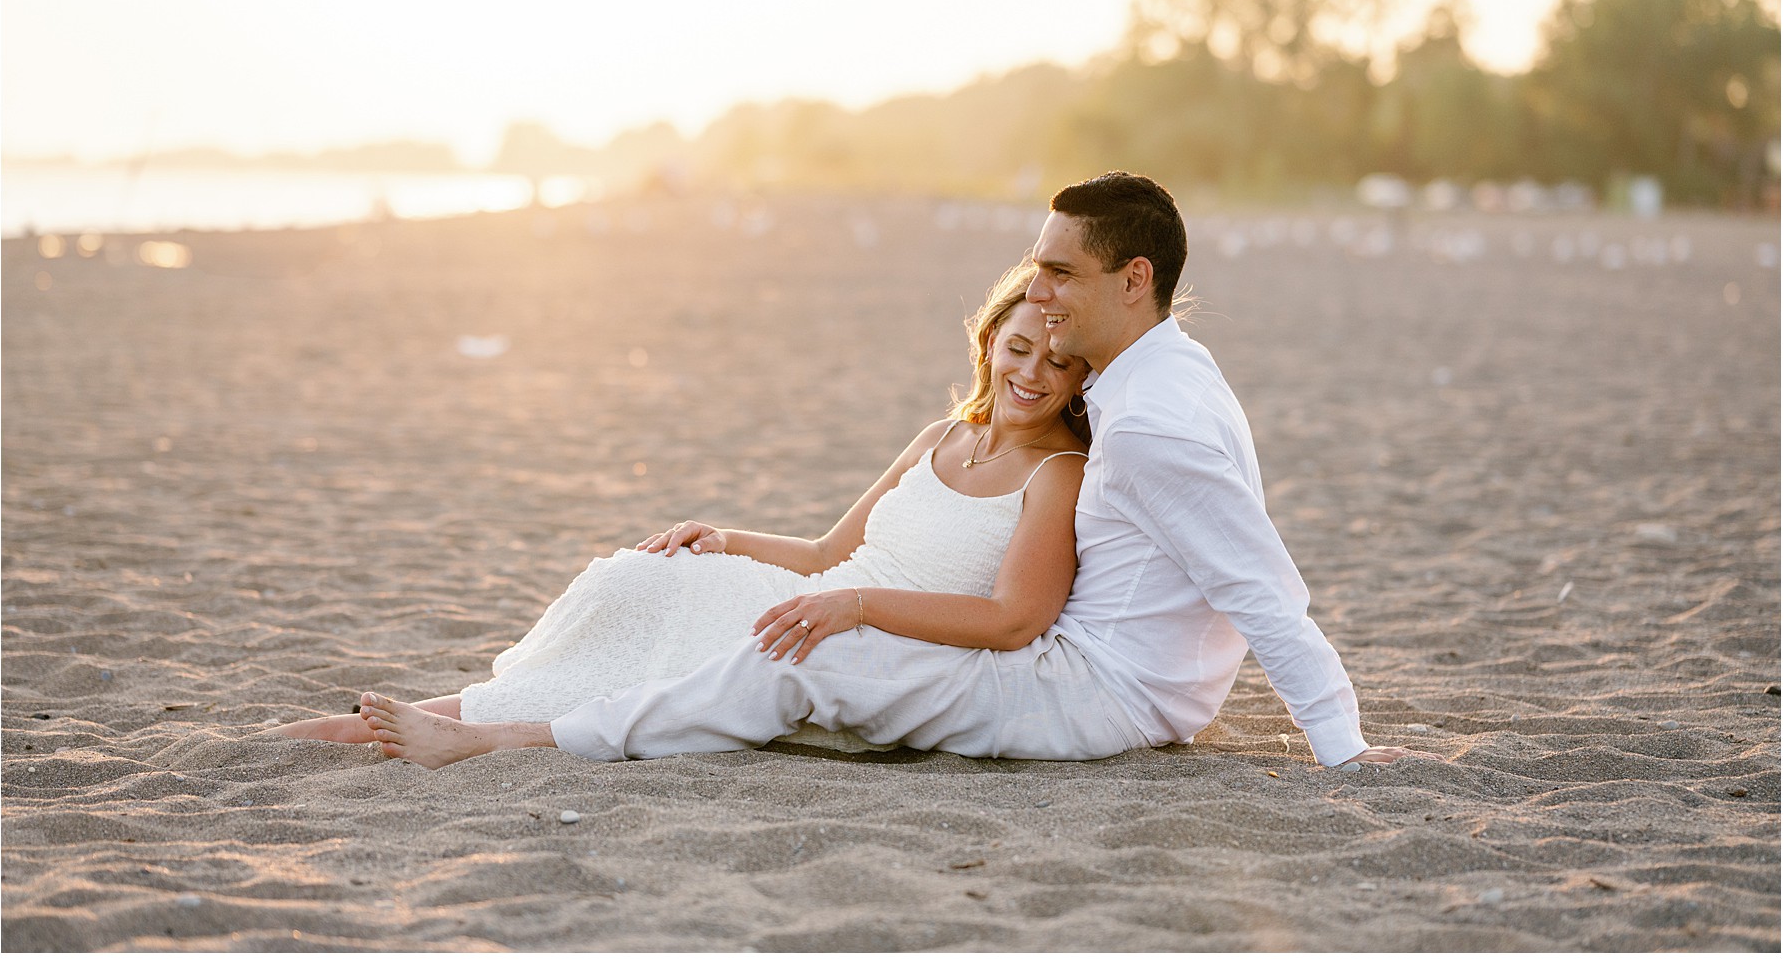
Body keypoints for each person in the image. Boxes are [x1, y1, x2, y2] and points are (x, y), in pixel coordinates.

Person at [355, 171, 1437, 771]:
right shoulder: (1160, 377)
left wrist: (1342, 745)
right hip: (1091, 668)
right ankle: (486, 704)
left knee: (803, 663)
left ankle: (499, 736)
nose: (1041, 294)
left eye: (1060, 272)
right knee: (756, 620)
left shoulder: (1149, 420)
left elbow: (1256, 582)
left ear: (1133, 276)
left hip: (1094, 691)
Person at [269, 261, 1093, 751]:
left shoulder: (1056, 472)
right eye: (1017, 348)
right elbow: (822, 552)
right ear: (989, 341)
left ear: (1079, 376)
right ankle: (417, 720)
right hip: (815, 598)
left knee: (675, 644)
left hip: (861, 629)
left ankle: (421, 731)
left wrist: (856, 604)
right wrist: (725, 535)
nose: (1031, 373)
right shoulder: (941, 435)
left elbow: (1014, 621)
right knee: (642, 581)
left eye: (1057, 362)